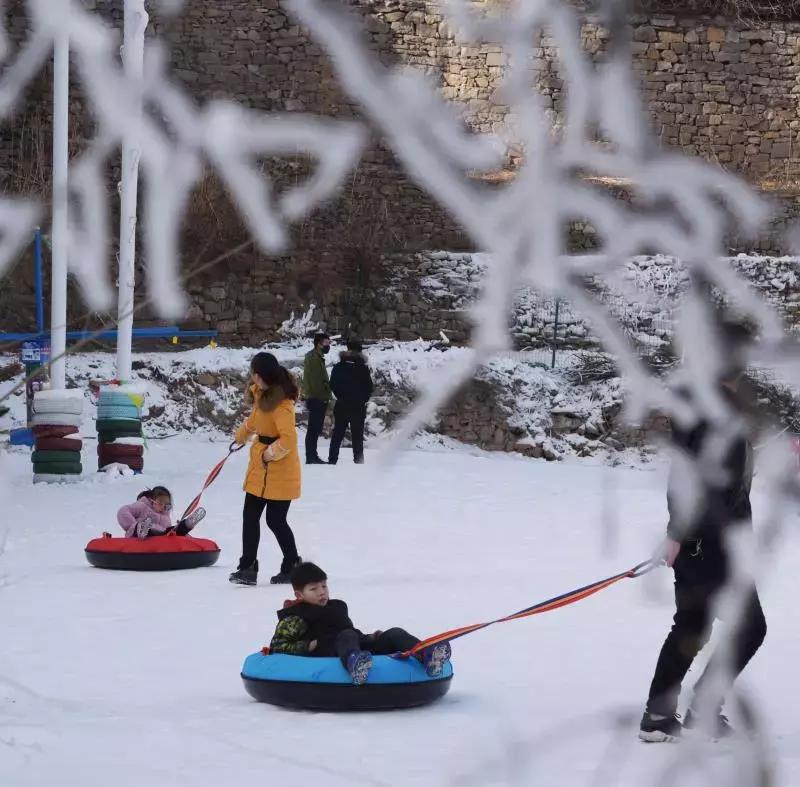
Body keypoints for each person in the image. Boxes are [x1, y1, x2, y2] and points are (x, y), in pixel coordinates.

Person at [639, 321, 766, 743]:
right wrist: (678, 533)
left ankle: (659, 717)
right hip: (711, 541)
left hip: (708, 539)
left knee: (693, 624)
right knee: (749, 628)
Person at [269, 561, 452, 685]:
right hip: (325, 651)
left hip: (350, 644)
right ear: (299, 595)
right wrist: (307, 645)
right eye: (313, 589)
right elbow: (277, 646)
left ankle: (426, 654)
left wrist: (370, 638)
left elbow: (348, 631)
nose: (321, 592)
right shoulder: (296, 618)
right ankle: (354, 664)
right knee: (347, 636)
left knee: (394, 633)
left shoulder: (336, 607)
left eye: (324, 586)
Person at [229, 352, 303, 586]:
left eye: (254, 372)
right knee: (250, 515)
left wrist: (268, 455)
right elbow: (254, 422)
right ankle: (248, 566)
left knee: (275, 519)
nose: (252, 377)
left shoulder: (282, 404)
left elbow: (288, 440)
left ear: (262, 376)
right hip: (261, 469)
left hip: (280, 470)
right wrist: (240, 437)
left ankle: (292, 565)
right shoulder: (262, 395)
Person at [328, 338, 373, 465]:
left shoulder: (339, 366)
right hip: (358, 407)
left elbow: (332, 385)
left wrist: (341, 396)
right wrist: (362, 399)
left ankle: (332, 461)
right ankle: (359, 462)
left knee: (337, 435)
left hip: (342, 404)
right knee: (357, 437)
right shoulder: (363, 368)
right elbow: (369, 387)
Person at [117, 487, 205, 539]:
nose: (164, 508)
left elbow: (167, 531)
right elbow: (123, 511)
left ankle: (187, 523)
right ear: (152, 501)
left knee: (173, 530)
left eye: (167, 506)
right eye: (161, 503)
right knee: (144, 527)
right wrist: (132, 525)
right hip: (137, 535)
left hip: (160, 536)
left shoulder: (166, 517)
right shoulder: (142, 506)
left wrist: (178, 532)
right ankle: (142, 529)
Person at [302, 332, 331, 465]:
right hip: (316, 397)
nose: (328, 345)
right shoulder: (314, 358)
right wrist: (325, 396)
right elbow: (316, 381)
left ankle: (312, 455)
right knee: (313, 429)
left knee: (315, 428)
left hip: (317, 397)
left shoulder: (317, 356)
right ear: (319, 344)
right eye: (326, 343)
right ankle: (311, 456)